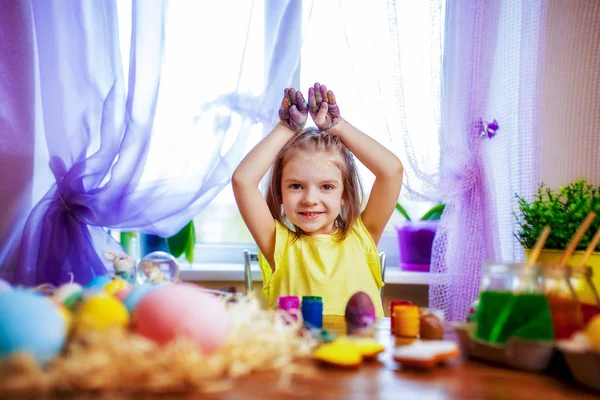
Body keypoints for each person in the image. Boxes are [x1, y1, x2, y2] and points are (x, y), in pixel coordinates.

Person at [232, 82, 403, 316]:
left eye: (326, 187)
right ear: (279, 193)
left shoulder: (363, 236)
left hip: (360, 352)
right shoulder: (277, 244)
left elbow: (392, 171)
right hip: (298, 353)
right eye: (296, 186)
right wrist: (285, 129)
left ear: (344, 194)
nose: (310, 199)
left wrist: (340, 127)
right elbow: (243, 181)